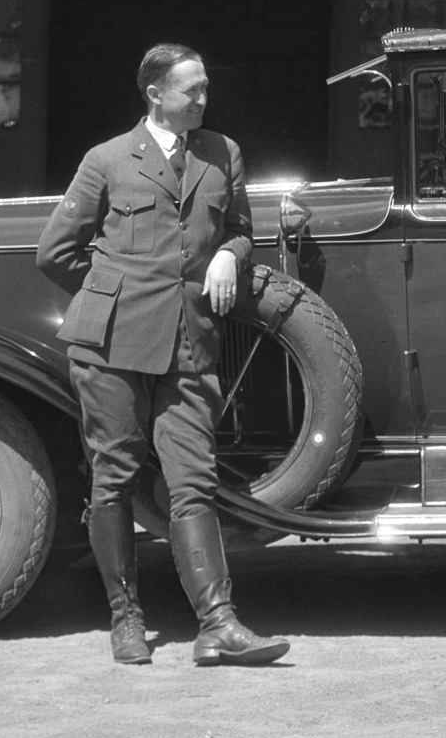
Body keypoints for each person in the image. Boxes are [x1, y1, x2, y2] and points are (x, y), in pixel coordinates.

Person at [36, 43, 289, 668]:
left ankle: (218, 624)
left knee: (192, 482)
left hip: (189, 343)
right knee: (114, 479)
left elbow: (238, 226)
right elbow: (55, 252)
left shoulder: (221, 152)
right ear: (155, 95)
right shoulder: (108, 159)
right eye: (191, 90)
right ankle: (125, 619)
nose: (203, 99)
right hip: (113, 348)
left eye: (205, 88)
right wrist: (111, 298)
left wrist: (231, 253)